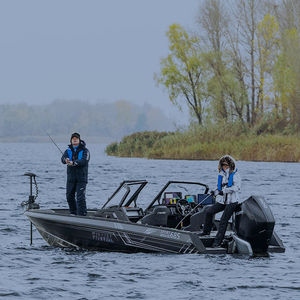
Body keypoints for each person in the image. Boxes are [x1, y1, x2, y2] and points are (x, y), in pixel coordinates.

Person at [200, 155, 241, 247]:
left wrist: (224, 191)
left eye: (226, 165)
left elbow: (237, 187)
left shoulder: (235, 175)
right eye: (223, 165)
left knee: (223, 220)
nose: (224, 167)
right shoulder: (222, 175)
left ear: (231, 165)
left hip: (232, 202)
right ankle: (206, 232)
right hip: (223, 201)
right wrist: (215, 192)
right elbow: (220, 187)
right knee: (209, 211)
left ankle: (217, 242)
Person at [61, 132, 90, 216]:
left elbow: (84, 161)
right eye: (73, 139)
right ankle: (73, 213)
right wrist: (65, 160)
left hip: (81, 178)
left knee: (80, 198)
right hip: (71, 178)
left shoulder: (85, 151)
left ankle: (82, 214)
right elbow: (62, 159)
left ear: (79, 140)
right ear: (71, 140)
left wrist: (74, 163)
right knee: (69, 197)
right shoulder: (68, 150)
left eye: (76, 139)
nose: (74, 140)